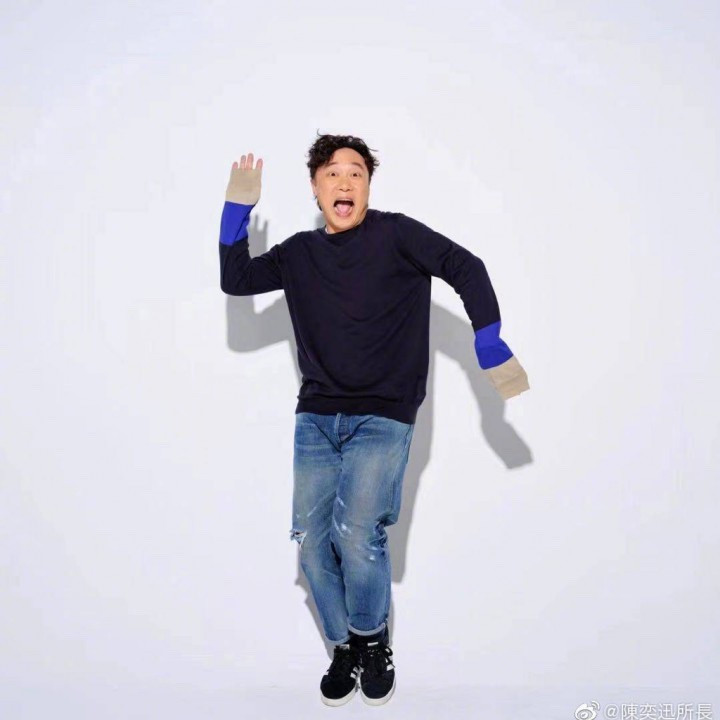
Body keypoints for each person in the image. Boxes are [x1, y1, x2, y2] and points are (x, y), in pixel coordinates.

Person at [218, 133, 529, 706]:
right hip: (316, 416)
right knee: (313, 543)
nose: (345, 182)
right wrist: (237, 209)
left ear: (367, 187)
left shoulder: (397, 235)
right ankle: (343, 646)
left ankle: (371, 639)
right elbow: (236, 281)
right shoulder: (298, 254)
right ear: (315, 188)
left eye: (356, 173)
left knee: (358, 531)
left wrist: (487, 337)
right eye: (332, 173)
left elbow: (465, 265)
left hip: (384, 414)